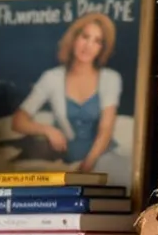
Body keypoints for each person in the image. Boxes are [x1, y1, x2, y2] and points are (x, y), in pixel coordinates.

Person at [8, 11, 125, 181]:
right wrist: (47, 130)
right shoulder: (51, 77)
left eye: (97, 41)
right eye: (85, 37)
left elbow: (105, 130)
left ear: (102, 48)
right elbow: (18, 121)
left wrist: (86, 167)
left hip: (100, 158)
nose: (88, 46)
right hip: (63, 160)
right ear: (74, 38)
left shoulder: (110, 78)